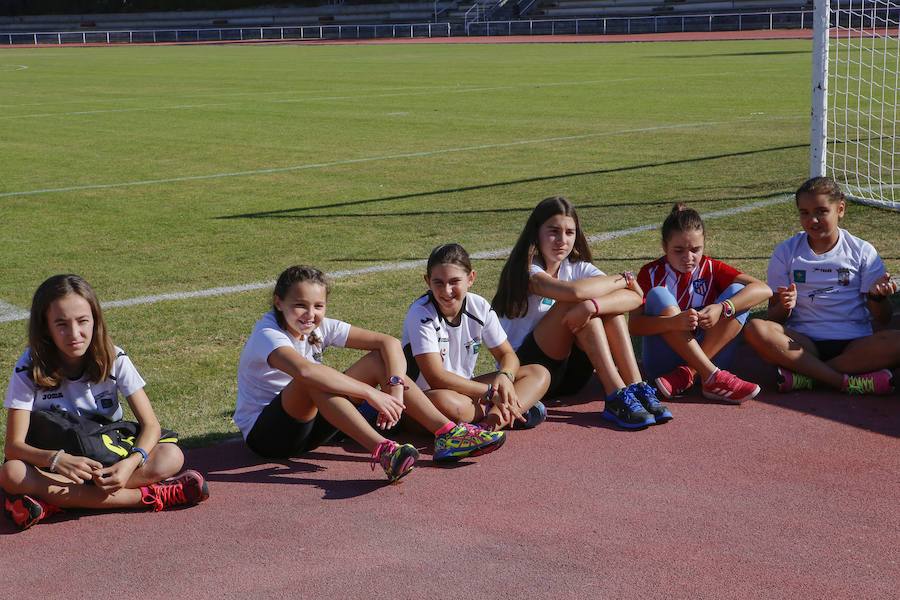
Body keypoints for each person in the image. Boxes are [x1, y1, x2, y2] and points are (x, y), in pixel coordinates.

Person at [234, 265, 506, 483]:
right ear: (278, 302)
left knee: (378, 360)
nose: (310, 314)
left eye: (318, 306)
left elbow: (387, 343)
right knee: (312, 379)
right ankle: (384, 451)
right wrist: (369, 394)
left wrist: (395, 388)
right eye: (300, 305)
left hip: (312, 428)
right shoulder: (267, 335)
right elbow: (306, 371)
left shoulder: (319, 326)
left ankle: (448, 433)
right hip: (268, 437)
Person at [1, 274, 208, 531]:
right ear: (46, 328)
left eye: (82, 321)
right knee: (12, 473)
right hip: (58, 467)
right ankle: (147, 497)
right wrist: (58, 460)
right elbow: (13, 447)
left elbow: (151, 425)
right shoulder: (30, 365)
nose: (74, 334)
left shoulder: (114, 357)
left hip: (106, 458)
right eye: (61, 324)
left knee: (171, 455)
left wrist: (129, 464)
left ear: (95, 320)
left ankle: (52, 503)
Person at [492, 196, 671, 430]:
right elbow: (575, 292)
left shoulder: (578, 267)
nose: (562, 240)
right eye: (554, 231)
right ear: (536, 233)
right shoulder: (529, 271)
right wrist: (622, 281)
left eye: (569, 232)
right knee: (574, 303)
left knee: (607, 309)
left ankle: (636, 387)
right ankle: (616, 395)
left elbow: (635, 297)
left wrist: (594, 306)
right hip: (527, 376)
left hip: (571, 377)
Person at [744, 177, 898, 394]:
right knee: (755, 328)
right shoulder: (786, 251)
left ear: (841, 209)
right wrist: (785, 307)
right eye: (804, 213)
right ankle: (846, 382)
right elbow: (774, 318)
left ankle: (808, 376)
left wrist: (877, 297)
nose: (812, 220)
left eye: (821, 211)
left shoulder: (863, 251)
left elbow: (883, 319)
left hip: (855, 345)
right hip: (802, 344)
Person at [628, 203, 772, 403]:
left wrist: (723, 307)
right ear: (664, 247)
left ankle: (691, 373)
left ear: (704, 244)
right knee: (659, 295)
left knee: (739, 293)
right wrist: (673, 322)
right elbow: (634, 326)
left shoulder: (712, 268)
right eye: (678, 250)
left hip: (713, 358)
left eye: (696, 249)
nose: (688, 257)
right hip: (663, 364)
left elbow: (764, 289)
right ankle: (709, 376)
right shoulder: (650, 273)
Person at [402, 243, 551, 431]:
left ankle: (487, 426)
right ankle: (512, 409)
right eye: (438, 282)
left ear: (471, 278)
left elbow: (507, 354)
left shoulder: (479, 306)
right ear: (427, 281)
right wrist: (491, 394)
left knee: (539, 373)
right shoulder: (420, 313)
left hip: (469, 391)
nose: (446, 291)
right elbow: (436, 378)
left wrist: (506, 375)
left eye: (454, 281)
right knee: (452, 405)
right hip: (427, 399)